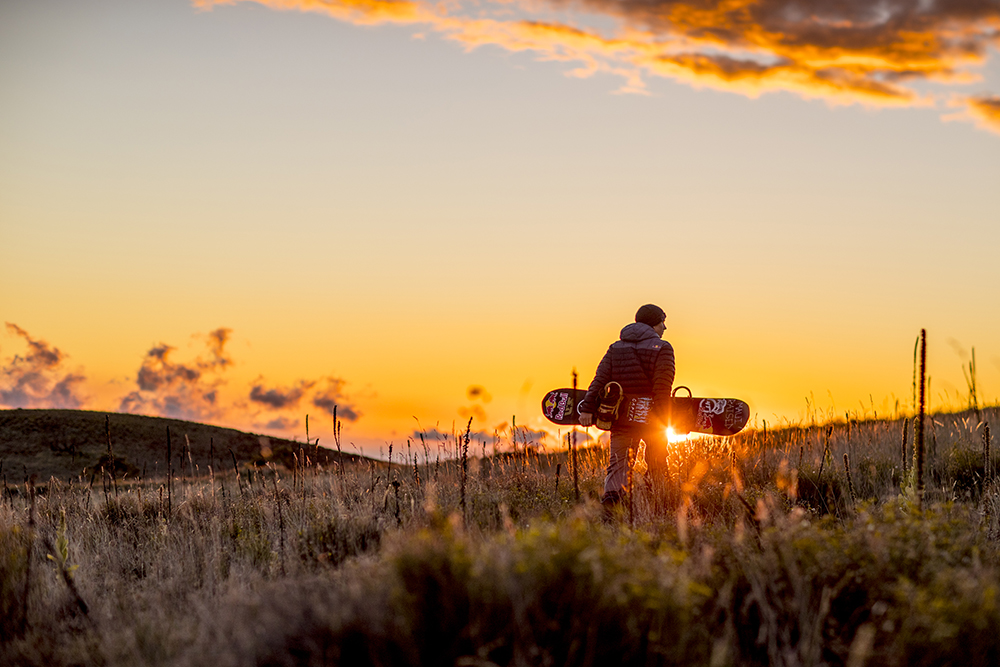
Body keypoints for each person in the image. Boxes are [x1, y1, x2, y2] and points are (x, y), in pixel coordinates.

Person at [579, 304, 675, 516]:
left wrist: (587, 408)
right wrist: (664, 422)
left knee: (618, 466)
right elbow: (662, 389)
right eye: (663, 322)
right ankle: (662, 508)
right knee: (658, 463)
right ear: (654, 323)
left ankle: (610, 514)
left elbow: (600, 380)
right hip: (653, 420)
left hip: (621, 418)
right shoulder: (663, 348)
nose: (665, 327)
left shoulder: (616, 347)